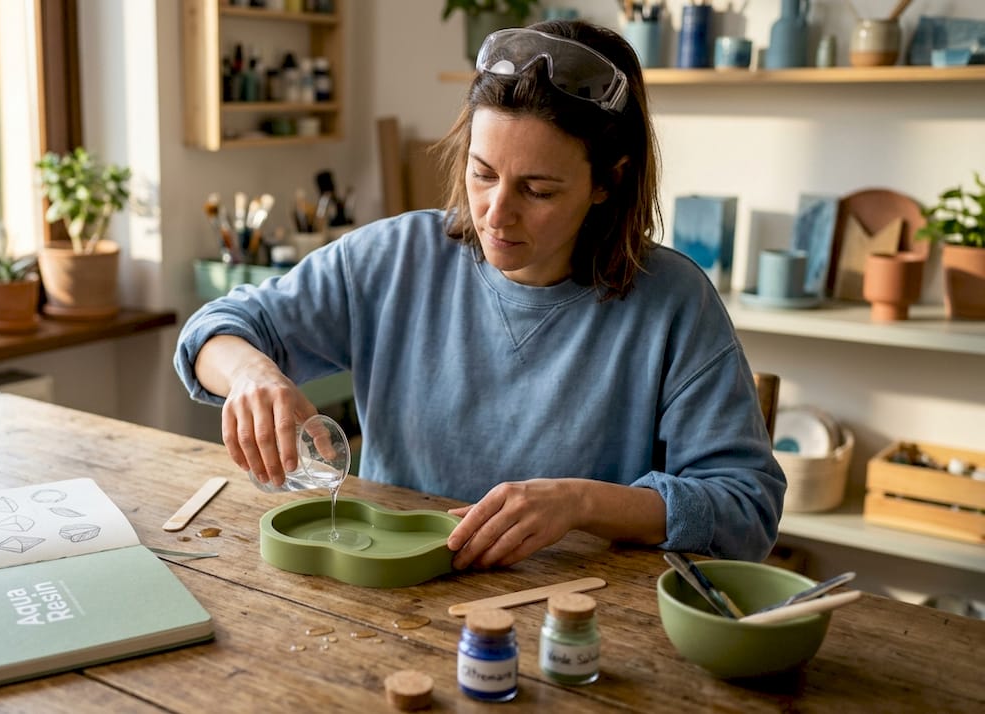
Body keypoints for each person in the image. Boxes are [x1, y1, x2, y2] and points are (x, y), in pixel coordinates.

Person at [174, 19, 785, 568]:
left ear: (607, 183)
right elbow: (214, 331)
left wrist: (579, 502)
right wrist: (254, 374)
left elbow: (746, 507)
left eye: (539, 190)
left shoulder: (674, 303)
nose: (496, 214)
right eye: (483, 172)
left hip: (576, 617)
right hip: (396, 593)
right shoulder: (395, 258)